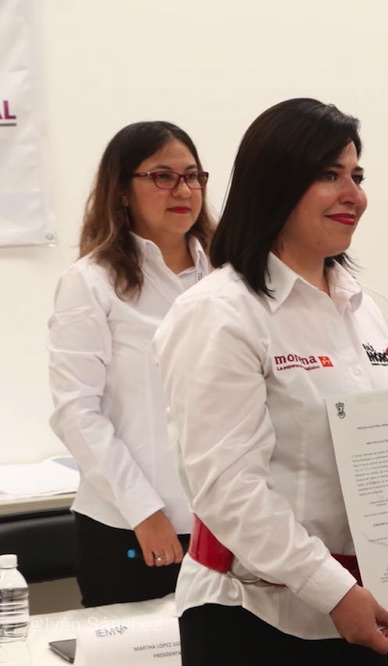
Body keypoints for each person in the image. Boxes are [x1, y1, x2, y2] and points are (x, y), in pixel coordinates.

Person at [153, 98, 388, 664]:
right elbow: (229, 490)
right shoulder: (219, 312)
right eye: (329, 175)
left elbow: (365, 456)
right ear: (275, 184)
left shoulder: (362, 308)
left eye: (357, 176)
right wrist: (333, 591)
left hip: (363, 605)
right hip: (253, 617)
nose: (354, 195)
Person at [48, 121, 213, 607]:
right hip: (131, 526)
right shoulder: (91, 282)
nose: (183, 190)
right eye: (162, 176)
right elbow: (76, 412)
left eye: (192, 176)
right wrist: (144, 510)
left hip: (225, 524)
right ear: (122, 191)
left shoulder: (228, 275)